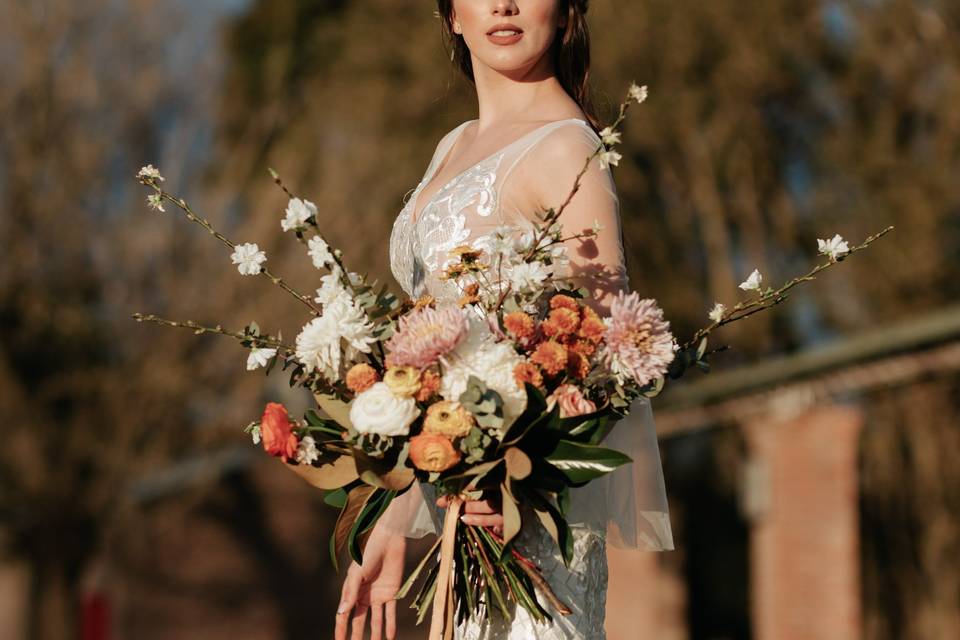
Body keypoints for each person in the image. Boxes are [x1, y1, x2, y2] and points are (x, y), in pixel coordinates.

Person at [335, 2, 672, 638]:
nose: (505, 4)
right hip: (460, 523)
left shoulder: (567, 146)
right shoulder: (452, 144)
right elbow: (436, 368)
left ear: (568, 10)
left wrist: (519, 482)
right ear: (452, 15)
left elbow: (612, 350)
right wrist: (392, 518)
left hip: (532, 537)